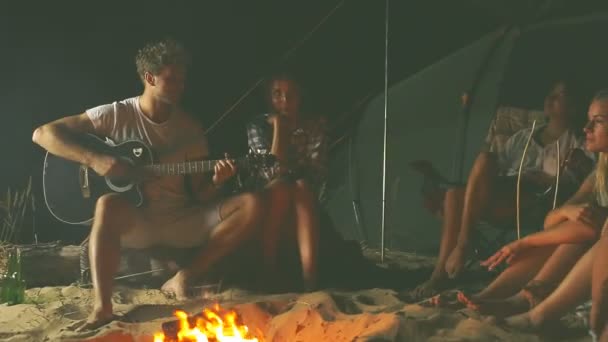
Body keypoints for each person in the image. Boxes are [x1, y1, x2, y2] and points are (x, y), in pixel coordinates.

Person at [32, 38, 265, 329]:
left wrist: (218, 181)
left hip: (180, 220)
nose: (181, 85)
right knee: (106, 203)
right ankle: (103, 308)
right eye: (172, 79)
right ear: (149, 77)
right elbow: (43, 134)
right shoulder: (116, 115)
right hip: (138, 222)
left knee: (252, 204)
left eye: (183, 79)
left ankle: (185, 276)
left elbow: (202, 195)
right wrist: (96, 160)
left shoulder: (190, 128)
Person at [412, 79, 595, 300]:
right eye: (550, 93)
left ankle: (455, 254)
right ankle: (446, 264)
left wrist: (579, 168)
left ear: (574, 106)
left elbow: (584, 187)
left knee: (454, 197)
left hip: (536, 201)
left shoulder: (579, 143)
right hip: (501, 193)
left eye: (560, 95)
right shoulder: (522, 137)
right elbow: (492, 174)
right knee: (465, 181)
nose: (550, 98)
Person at [464, 89, 608, 331]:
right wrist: (566, 212)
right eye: (588, 119)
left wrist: (524, 242)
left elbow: (593, 227)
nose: (587, 128)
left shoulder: (578, 152)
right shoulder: (598, 175)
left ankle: (530, 305)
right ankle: (498, 295)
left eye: (598, 121)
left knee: (583, 230)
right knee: (568, 231)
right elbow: (551, 222)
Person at [245, 72, 328, 290]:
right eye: (277, 95)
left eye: (291, 95)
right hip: (269, 193)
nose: (285, 101)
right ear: (269, 98)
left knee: (299, 186)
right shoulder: (258, 125)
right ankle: (267, 272)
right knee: (281, 187)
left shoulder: (314, 124)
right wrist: (279, 128)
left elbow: (316, 171)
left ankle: (310, 279)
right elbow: (269, 171)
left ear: (300, 96)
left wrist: (291, 173)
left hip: (303, 191)